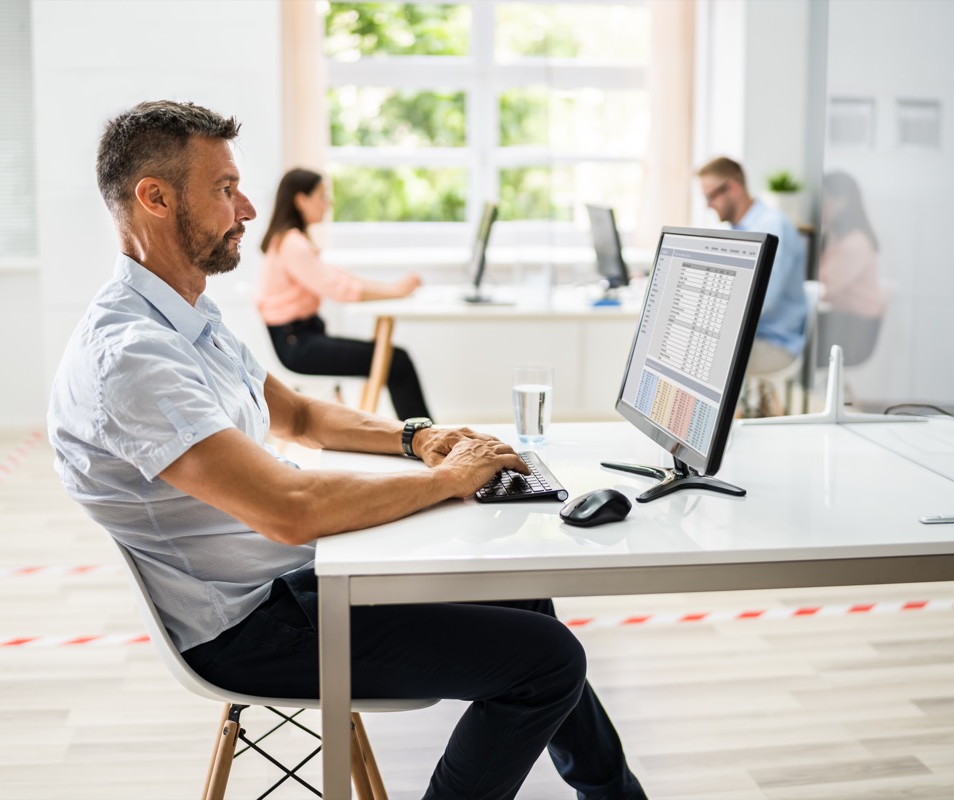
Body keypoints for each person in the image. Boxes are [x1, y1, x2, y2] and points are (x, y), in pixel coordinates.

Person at [48, 100, 646, 800]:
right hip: (253, 625)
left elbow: (298, 414)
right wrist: (451, 479)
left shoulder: (187, 315)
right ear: (154, 197)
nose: (245, 208)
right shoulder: (133, 356)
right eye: (224, 189)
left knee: (526, 601)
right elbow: (290, 510)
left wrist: (418, 437)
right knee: (548, 663)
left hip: (294, 582)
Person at [258, 167, 431, 420]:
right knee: (396, 360)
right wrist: (395, 291)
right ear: (300, 200)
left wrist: (394, 290)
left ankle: (427, 437)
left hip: (299, 339)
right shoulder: (292, 244)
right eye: (322, 196)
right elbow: (339, 289)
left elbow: (340, 277)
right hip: (298, 345)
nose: (328, 203)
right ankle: (429, 439)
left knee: (392, 358)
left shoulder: (290, 240)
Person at [697, 157, 807, 375]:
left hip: (773, 342)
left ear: (734, 187)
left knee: (702, 355)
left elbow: (762, 300)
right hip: (748, 337)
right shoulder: (736, 232)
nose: (708, 205)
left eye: (710, 196)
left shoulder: (773, 227)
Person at [816, 170, 886, 366]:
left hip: (855, 329)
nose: (820, 207)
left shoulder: (855, 244)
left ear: (842, 201)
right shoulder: (835, 237)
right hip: (841, 319)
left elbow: (827, 289)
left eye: (824, 200)